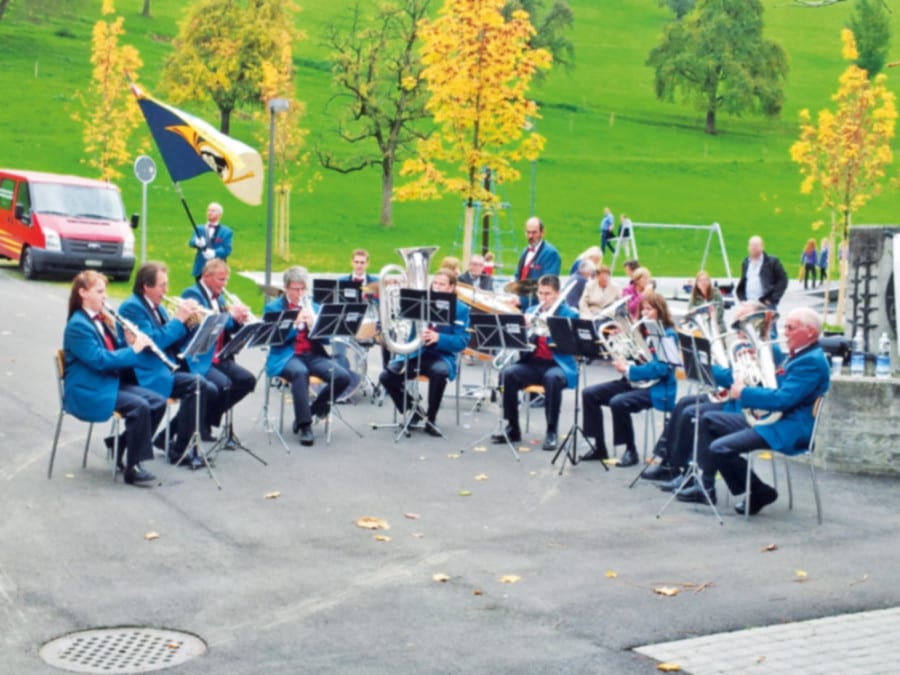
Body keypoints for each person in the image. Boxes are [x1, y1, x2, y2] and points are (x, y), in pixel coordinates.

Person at [676, 308, 830, 515]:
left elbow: (783, 399)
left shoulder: (810, 361)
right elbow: (777, 389)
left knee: (720, 448)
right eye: (785, 326)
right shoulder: (800, 355)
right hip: (773, 420)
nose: (785, 332)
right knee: (706, 420)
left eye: (790, 328)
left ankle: (759, 491)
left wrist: (745, 392)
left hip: (786, 428)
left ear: (810, 332)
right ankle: (707, 486)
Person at [63, 271, 166, 486]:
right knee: (140, 406)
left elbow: (112, 352)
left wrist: (128, 343)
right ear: (83, 293)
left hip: (107, 382)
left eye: (105, 291)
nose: (105, 297)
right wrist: (135, 350)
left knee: (157, 402)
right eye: (99, 292)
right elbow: (100, 360)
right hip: (89, 387)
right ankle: (133, 466)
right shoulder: (77, 326)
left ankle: (119, 445)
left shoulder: (102, 320)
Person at [646, 301, 764, 486]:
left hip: (741, 407)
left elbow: (733, 377)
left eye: (742, 321)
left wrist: (706, 367)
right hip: (730, 398)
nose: (737, 327)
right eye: (737, 321)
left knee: (692, 413)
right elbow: (731, 375)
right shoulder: (743, 344)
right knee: (684, 403)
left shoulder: (760, 346)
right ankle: (671, 463)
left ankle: (687, 473)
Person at [119, 262, 216, 469]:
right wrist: (179, 319)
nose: (166, 290)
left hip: (162, 369)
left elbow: (172, 341)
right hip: (143, 373)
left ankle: (179, 448)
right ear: (147, 286)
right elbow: (152, 342)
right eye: (162, 285)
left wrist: (192, 325)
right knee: (196, 385)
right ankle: (134, 446)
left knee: (199, 385)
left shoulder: (159, 307)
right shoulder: (132, 307)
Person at [580, 292, 678, 467]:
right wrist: (620, 345)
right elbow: (635, 357)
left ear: (660, 311)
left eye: (650, 309)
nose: (645, 313)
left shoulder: (667, 335)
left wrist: (630, 369)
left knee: (618, 402)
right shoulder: (639, 331)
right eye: (643, 309)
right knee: (589, 394)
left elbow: (663, 368)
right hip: (635, 382)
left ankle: (630, 450)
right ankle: (599, 447)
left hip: (657, 388)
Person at [265, 266, 353, 446]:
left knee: (342, 376)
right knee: (300, 373)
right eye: (295, 289)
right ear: (286, 288)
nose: (300, 293)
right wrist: (295, 324)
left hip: (312, 354)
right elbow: (274, 339)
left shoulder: (314, 306)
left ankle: (311, 411)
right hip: (287, 355)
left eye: (303, 288)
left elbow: (327, 340)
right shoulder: (273, 307)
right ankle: (305, 426)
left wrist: (315, 325)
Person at [378, 268, 470, 436]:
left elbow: (462, 342)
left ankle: (431, 419)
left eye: (442, 284)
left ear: (451, 287)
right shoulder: (420, 302)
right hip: (415, 352)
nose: (437, 287)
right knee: (386, 376)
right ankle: (414, 410)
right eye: (435, 283)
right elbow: (401, 320)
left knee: (439, 372)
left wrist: (439, 337)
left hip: (441, 355)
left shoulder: (461, 309)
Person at [491, 274, 578, 452]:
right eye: (540, 293)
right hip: (534, 361)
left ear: (558, 294)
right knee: (508, 374)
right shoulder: (532, 310)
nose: (543, 298)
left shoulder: (570, 314)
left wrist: (550, 327)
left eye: (548, 294)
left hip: (558, 363)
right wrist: (523, 328)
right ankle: (513, 427)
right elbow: (520, 342)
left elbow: (572, 345)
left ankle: (551, 431)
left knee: (552, 379)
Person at [181, 259, 257, 438]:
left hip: (219, 355)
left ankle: (207, 419)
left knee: (247, 380)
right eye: (221, 279)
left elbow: (228, 326)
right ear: (206, 277)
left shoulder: (219, 296)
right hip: (199, 356)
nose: (224, 285)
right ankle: (194, 427)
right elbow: (210, 324)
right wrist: (231, 316)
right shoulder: (192, 294)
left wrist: (241, 321)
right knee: (223, 385)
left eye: (226, 280)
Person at [514, 217, 562, 310]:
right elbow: (517, 276)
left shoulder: (551, 253)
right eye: (528, 232)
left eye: (534, 232)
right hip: (520, 305)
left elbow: (548, 285)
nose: (530, 236)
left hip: (537, 308)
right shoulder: (525, 251)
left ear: (542, 232)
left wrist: (521, 300)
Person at [735, 235, 788, 310]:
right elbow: (744, 281)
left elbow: (783, 280)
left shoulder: (772, 262)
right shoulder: (746, 262)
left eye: (756, 245)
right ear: (748, 247)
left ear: (762, 247)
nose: (754, 248)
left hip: (766, 305)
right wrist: (742, 299)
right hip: (748, 304)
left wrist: (773, 298)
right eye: (752, 245)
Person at [189, 202, 234, 279]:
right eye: (208, 210)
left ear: (219, 214)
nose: (209, 212)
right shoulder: (200, 228)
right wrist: (197, 242)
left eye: (213, 211)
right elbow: (191, 242)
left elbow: (227, 249)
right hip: (201, 268)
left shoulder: (226, 232)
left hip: (217, 269)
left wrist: (214, 253)